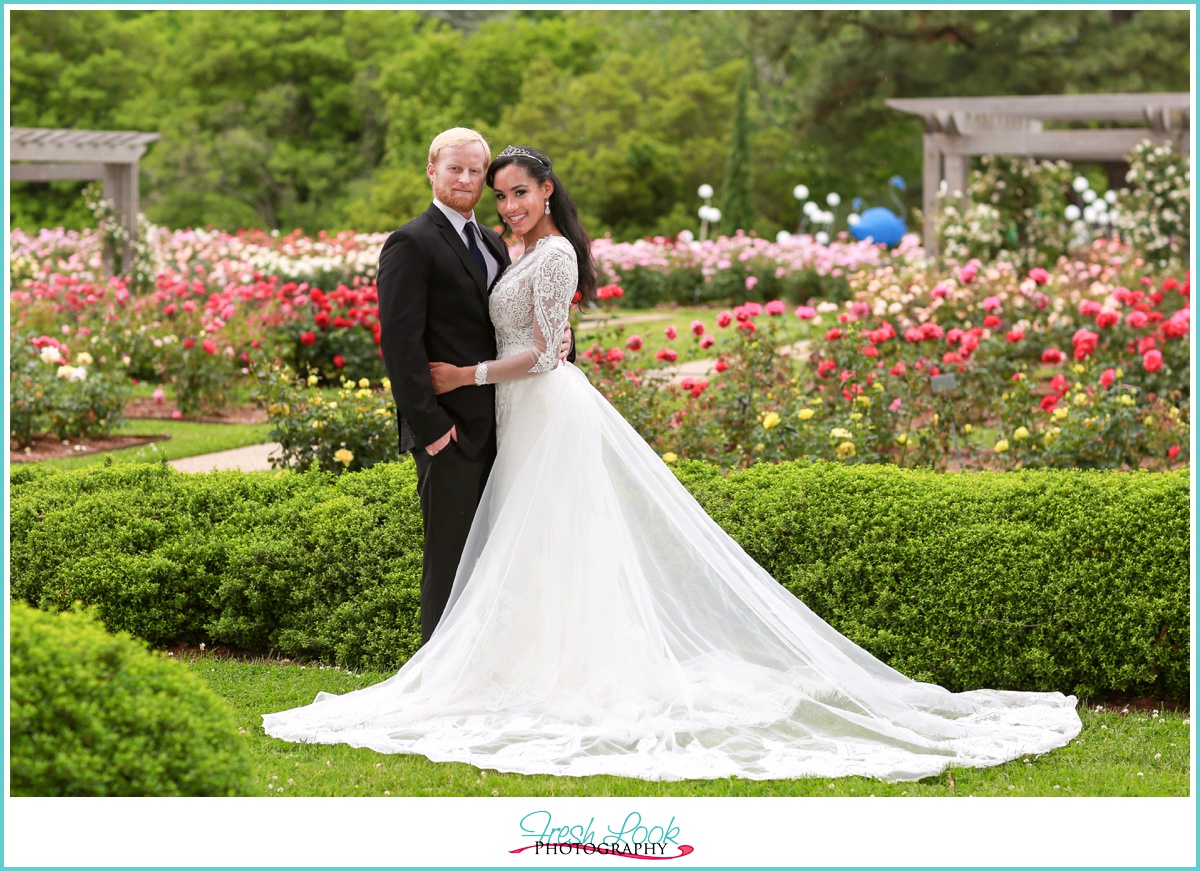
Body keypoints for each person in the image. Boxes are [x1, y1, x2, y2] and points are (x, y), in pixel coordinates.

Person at [263, 146, 1081, 782]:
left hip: (542, 408)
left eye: (517, 189)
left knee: (559, 537)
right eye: (496, 188)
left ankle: (569, 671)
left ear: (547, 194)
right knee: (533, 548)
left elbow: (550, 352)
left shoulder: (551, 256)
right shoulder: (499, 250)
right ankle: (516, 664)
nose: (505, 200)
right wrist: (448, 397)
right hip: (507, 419)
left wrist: (463, 377)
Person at [374, 128, 569, 644]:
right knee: (450, 560)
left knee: (496, 559)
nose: (465, 179)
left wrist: (562, 345)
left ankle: (488, 666)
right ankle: (437, 677)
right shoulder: (410, 242)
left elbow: (523, 324)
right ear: (431, 171)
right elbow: (399, 343)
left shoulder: (492, 242)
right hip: (451, 433)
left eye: (475, 171)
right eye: (454, 168)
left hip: (507, 424)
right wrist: (432, 428)